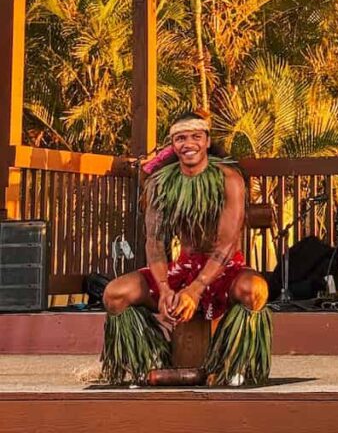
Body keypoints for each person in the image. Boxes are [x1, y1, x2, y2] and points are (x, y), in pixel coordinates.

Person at [100, 111, 272, 385]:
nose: (188, 143)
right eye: (180, 138)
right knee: (115, 294)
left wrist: (196, 288)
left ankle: (229, 363)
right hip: (183, 268)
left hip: (224, 271)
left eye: (195, 136)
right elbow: (154, 243)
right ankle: (149, 360)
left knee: (255, 291)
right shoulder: (161, 182)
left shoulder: (228, 178)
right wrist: (166, 287)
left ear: (206, 141)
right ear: (173, 144)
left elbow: (226, 244)